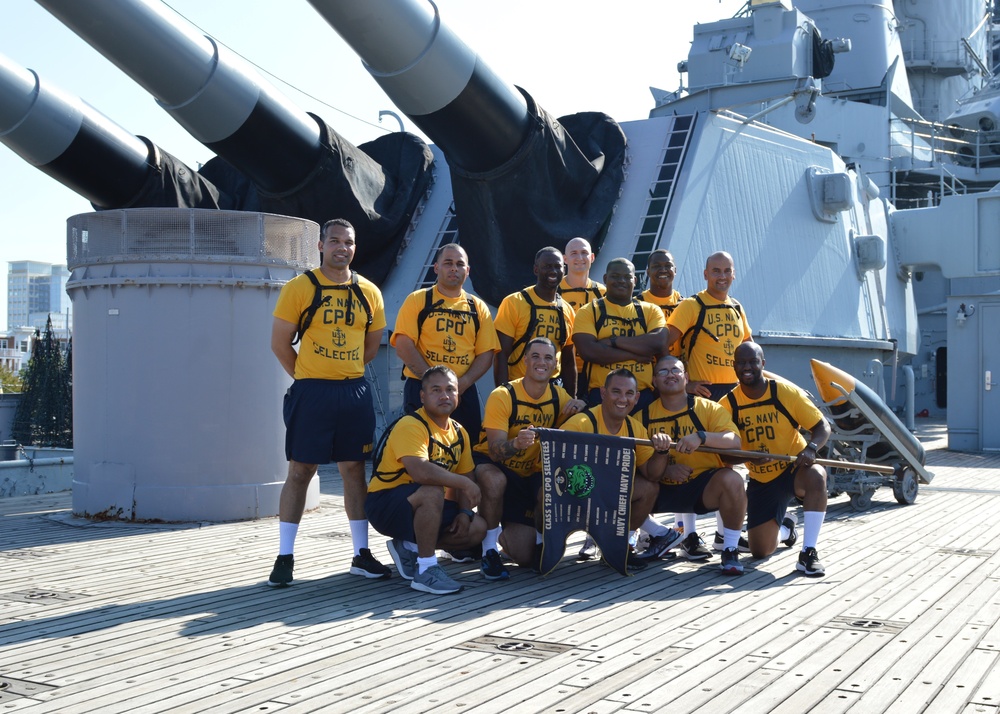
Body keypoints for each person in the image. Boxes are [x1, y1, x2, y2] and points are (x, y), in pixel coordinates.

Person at [267, 218, 390, 587]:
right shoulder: (299, 288)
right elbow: (279, 344)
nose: (342, 248)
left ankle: (361, 554)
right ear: (320, 246)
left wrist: (342, 371)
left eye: (349, 242)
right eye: (334, 241)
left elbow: (370, 346)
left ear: (355, 247)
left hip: (353, 391)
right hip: (312, 392)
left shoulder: (369, 291)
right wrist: (307, 376)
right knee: (301, 471)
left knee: (354, 470)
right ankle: (284, 557)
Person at [366, 366, 487, 594]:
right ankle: (426, 569)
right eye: (436, 390)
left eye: (450, 389)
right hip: (385, 504)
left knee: (476, 528)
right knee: (432, 491)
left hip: (423, 504)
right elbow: (420, 472)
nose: (444, 395)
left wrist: (464, 512)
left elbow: (466, 474)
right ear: (422, 396)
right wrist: (464, 484)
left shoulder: (460, 431)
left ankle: (409, 545)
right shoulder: (411, 424)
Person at [473, 337, 586, 572]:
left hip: (529, 473)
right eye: (535, 356)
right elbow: (495, 451)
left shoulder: (560, 397)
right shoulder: (503, 395)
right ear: (524, 360)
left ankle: (537, 541)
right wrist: (515, 443)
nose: (541, 362)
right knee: (495, 481)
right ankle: (488, 550)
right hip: (497, 466)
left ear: (555, 365)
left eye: (548, 358)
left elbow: (583, 425)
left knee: (525, 556)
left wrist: (581, 409)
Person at [724, 342, 831, 576]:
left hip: (794, 469)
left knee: (817, 475)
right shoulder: (728, 404)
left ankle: (808, 553)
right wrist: (747, 457)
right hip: (762, 480)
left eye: (753, 361)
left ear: (763, 363)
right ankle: (786, 529)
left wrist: (811, 449)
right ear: (734, 366)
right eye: (741, 362)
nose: (747, 367)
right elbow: (724, 454)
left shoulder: (784, 392)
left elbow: (822, 426)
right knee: (760, 551)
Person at [636, 356, 748, 574]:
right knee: (624, 483)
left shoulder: (708, 408)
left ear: (686, 378)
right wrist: (666, 469)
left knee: (733, 479)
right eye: (663, 371)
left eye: (676, 370)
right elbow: (637, 461)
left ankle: (730, 549)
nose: (670, 374)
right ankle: (658, 534)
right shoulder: (642, 417)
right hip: (660, 490)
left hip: (701, 489)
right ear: (654, 382)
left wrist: (702, 437)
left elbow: (734, 441)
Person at [560, 369, 672, 571]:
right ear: (603, 393)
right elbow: (553, 467)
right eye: (616, 392)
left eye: (629, 393)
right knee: (544, 494)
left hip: (608, 494)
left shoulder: (636, 428)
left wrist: (662, 452)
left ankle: (620, 545)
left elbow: (652, 475)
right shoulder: (580, 424)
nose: (623, 399)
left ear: (637, 398)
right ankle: (545, 544)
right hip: (576, 495)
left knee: (649, 488)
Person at [391, 243, 500, 441]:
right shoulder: (418, 300)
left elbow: (486, 353)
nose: (453, 268)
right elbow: (404, 345)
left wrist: (462, 384)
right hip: (421, 389)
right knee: (420, 448)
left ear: (467, 271)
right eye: (448, 263)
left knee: (466, 449)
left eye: (459, 264)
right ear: (436, 267)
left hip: (463, 392)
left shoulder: (478, 308)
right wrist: (432, 383)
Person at [572, 258, 666, 411]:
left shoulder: (651, 310)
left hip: (643, 396)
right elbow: (589, 352)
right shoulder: (589, 311)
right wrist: (635, 355)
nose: (621, 281)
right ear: (605, 279)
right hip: (601, 394)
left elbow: (658, 343)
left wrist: (613, 341)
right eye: (615, 276)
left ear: (634, 280)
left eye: (627, 277)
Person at [665, 251, 752, 401]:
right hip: (702, 393)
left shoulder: (737, 307)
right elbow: (663, 345)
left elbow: (751, 350)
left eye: (727, 271)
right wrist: (684, 385)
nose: (722, 277)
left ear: (734, 274)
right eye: (716, 271)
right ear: (706, 274)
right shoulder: (691, 305)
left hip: (735, 392)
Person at [494, 247, 577, 396]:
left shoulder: (567, 310)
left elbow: (568, 361)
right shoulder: (514, 303)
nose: (553, 271)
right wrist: (505, 395)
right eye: (547, 266)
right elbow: (501, 355)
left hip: (553, 392)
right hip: (520, 387)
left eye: (558, 266)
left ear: (564, 270)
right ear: (536, 270)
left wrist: (571, 399)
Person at [559, 237, 606, 400]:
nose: (579, 258)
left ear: (592, 257)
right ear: (565, 259)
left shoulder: (604, 294)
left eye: (584, 253)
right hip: (561, 370)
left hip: (595, 371)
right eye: (574, 253)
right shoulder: (553, 292)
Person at [640, 249, 683, 358]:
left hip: (678, 371)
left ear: (675, 270)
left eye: (668, 265)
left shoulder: (685, 304)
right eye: (656, 266)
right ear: (648, 271)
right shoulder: (637, 304)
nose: (663, 270)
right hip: (647, 369)